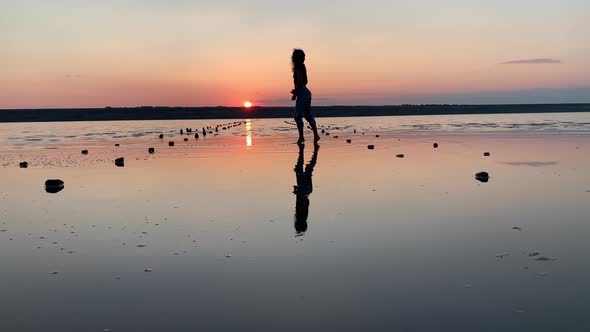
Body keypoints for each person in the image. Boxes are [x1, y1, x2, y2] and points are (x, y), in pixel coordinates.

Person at [290, 49, 320, 145]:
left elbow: (299, 82)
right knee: (308, 115)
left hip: (302, 92)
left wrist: (295, 93)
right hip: (306, 92)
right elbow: (305, 82)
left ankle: (301, 137)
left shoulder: (298, 68)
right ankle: (316, 135)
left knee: (297, 116)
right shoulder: (303, 67)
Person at [293, 143, 319, 235]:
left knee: (308, 170)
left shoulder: (304, 215)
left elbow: (306, 202)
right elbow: (302, 201)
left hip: (308, 191)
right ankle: (302, 151)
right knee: (299, 169)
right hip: (303, 191)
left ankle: (315, 152)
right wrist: (298, 192)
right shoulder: (301, 215)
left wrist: (297, 192)